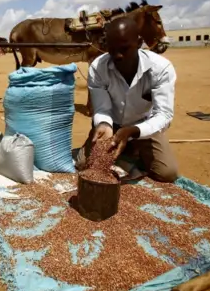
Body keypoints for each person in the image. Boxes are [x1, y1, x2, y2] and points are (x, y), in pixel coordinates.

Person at [76, 16, 178, 183]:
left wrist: (135, 131)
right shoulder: (98, 68)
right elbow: (102, 108)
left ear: (139, 43)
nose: (117, 56)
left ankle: (133, 145)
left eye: (124, 49)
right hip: (113, 124)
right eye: (112, 49)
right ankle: (126, 147)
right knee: (83, 163)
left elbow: (164, 115)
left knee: (167, 173)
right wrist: (104, 124)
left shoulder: (161, 69)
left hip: (143, 126)